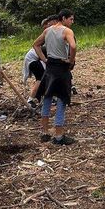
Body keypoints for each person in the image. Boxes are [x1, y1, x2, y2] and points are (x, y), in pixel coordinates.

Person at [33, 9, 77, 145]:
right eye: (71, 19)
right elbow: (73, 45)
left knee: (47, 98)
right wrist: (71, 60)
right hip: (61, 68)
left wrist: (44, 60)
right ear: (63, 18)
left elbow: (35, 44)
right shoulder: (67, 31)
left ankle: (45, 133)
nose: (72, 22)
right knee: (62, 101)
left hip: (50, 67)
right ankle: (58, 136)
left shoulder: (48, 30)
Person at [22, 15, 58, 109]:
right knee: (41, 78)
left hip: (38, 58)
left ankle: (48, 96)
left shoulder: (52, 35)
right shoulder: (47, 36)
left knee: (47, 76)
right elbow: (38, 47)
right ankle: (31, 99)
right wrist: (45, 60)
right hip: (33, 59)